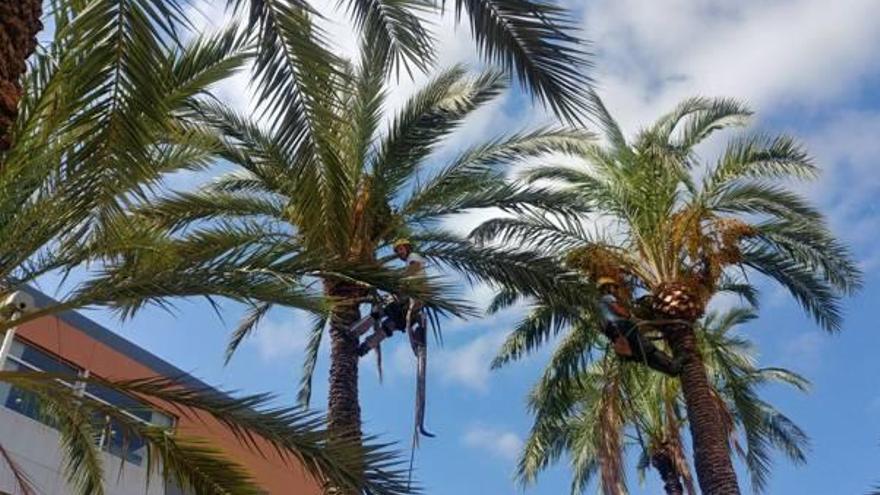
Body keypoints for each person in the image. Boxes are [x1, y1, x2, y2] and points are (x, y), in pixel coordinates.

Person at [596, 277, 681, 376]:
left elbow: (601, 326)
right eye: (613, 287)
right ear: (607, 288)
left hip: (615, 333)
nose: (615, 290)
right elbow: (618, 310)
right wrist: (629, 315)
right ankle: (672, 364)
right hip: (621, 326)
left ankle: (670, 370)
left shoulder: (599, 306)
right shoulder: (608, 297)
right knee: (647, 348)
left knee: (642, 356)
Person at [358, 239, 427, 356]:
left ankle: (357, 331)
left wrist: (396, 282)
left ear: (407, 247)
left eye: (401, 249)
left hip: (411, 295)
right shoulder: (412, 261)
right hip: (414, 301)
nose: (399, 252)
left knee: (382, 309)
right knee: (391, 325)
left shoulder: (413, 256)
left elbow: (414, 269)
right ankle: (366, 347)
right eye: (397, 251)